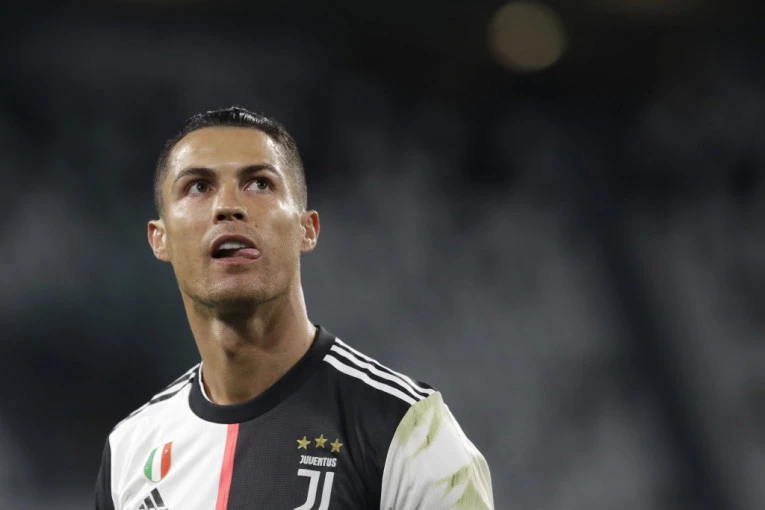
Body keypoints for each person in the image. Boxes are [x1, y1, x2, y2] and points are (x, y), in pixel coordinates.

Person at [95, 106, 493, 510]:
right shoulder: (131, 450)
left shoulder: (408, 431)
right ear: (159, 238)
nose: (228, 206)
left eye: (259, 184)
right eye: (198, 187)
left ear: (307, 229)